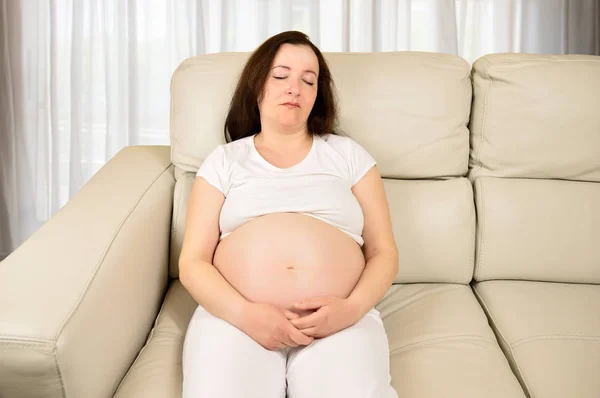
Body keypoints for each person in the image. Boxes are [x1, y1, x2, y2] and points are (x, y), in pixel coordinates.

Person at [179, 30, 399, 398]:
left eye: (308, 80)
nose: (294, 88)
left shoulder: (349, 156)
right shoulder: (224, 161)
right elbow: (193, 262)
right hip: (235, 320)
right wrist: (245, 315)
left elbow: (383, 252)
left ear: (317, 95)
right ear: (257, 86)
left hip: (338, 323)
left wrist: (350, 309)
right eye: (281, 76)